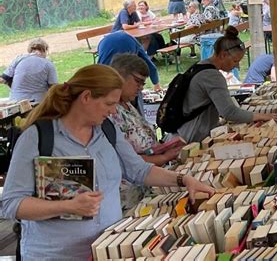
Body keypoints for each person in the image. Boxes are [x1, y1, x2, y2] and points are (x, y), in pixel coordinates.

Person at [1, 64, 214, 260]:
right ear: (86, 97)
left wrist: (183, 179)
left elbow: (138, 170)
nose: (113, 110)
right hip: (55, 256)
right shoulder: (37, 137)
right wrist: (67, 206)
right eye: (109, 103)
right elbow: (12, 204)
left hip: (107, 249)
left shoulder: (106, 129)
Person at [167, 26, 277, 143]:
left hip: (182, 132)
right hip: (191, 136)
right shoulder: (212, 76)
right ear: (223, 55)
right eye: (235, 61)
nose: (237, 66)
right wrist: (262, 116)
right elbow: (229, 112)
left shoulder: (199, 66)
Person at [110, 54, 178, 165]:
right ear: (119, 77)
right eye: (138, 81)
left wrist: (163, 149)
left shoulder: (128, 104)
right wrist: (164, 157)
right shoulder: (109, 112)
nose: (141, 87)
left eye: (143, 83)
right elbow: (125, 161)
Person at [0, 38, 57, 103]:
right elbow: (54, 88)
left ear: (30, 50)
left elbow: (2, 79)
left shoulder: (19, 59)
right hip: (38, 104)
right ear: (45, 50)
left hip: (16, 102)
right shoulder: (48, 64)